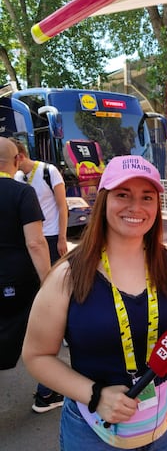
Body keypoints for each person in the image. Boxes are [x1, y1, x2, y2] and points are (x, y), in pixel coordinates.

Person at [22, 155, 167, 451]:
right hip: (93, 428)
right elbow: (36, 356)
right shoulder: (68, 275)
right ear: (104, 200)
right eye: (123, 195)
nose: (136, 207)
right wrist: (95, 394)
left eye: (147, 197)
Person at [10, 137, 68, 413]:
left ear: (20, 154)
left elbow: (62, 205)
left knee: (55, 292)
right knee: (43, 295)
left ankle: (61, 330)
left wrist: (63, 238)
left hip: (51, 238)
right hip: (32, 242)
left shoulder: (48, 170)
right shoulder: (18, 179)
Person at [0, 137, 50, 371]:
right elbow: (36, 243)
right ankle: (46, 392)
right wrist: (48, 281)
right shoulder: (22, 192)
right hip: (17, 280)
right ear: (16, 160)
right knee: (39, 335)